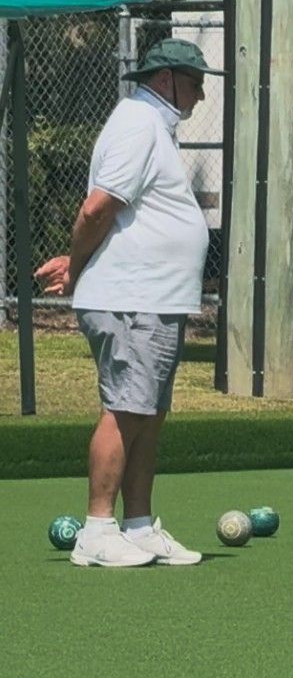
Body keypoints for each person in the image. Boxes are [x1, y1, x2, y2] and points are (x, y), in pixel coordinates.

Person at [34, 39, 223, 567]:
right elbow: (97, 209)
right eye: (195, 81)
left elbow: (116, 216)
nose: (202, 94)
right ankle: (97, 530)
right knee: (124, 411)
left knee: (148, 414)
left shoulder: (152, 127)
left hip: (152, 298)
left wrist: (75, 264)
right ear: (165, 80)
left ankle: (138, 526)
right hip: (130, 299)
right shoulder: (137, 124)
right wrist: (77, 267)